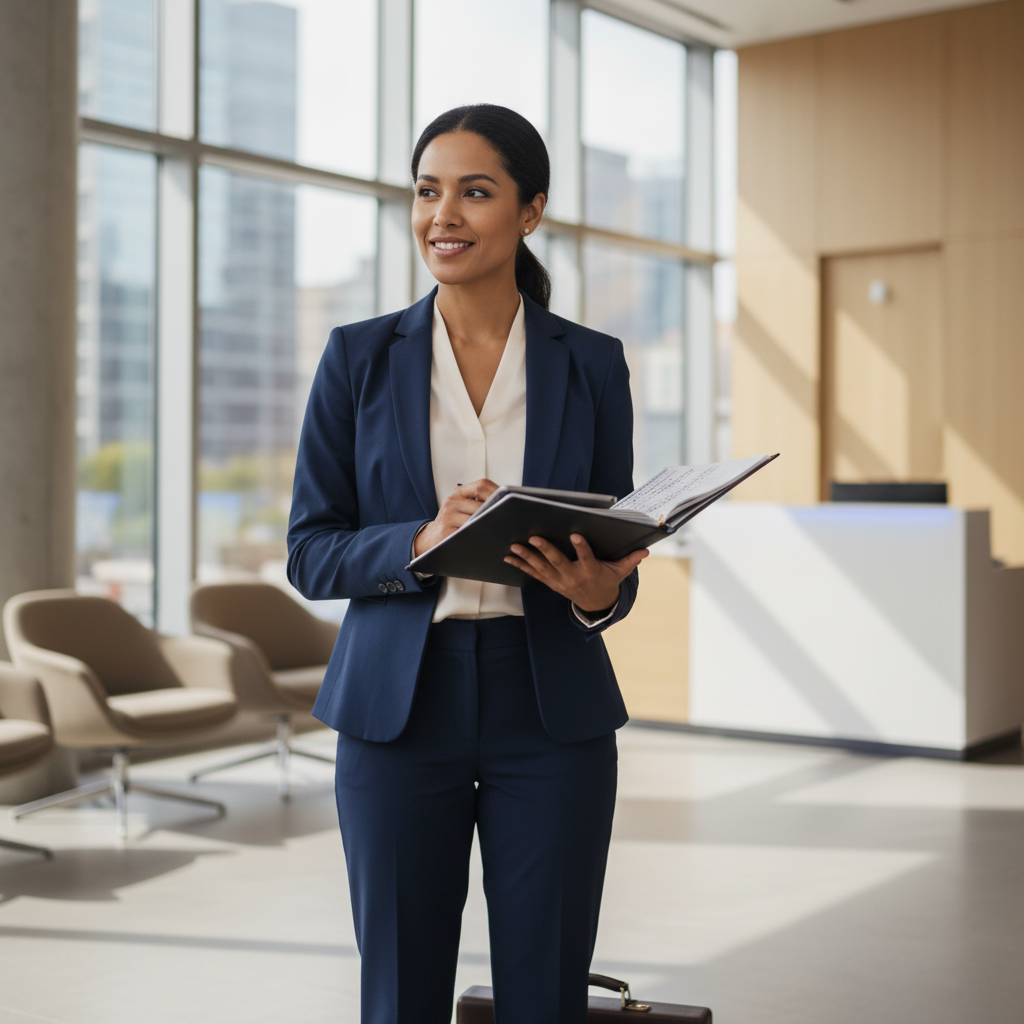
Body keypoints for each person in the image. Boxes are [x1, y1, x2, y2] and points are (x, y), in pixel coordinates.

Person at [287, 104, 648, 1024]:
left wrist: (604, 593)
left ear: (529, 211)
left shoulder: (592, 365)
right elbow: (310, 551)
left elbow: (614, 547)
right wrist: (417, 540)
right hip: (397, 709)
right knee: (401, 990)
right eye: (426, 191)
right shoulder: (357, 357)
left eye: (474, 192)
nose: (442, 215)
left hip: (551, 708)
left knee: (547, 989)